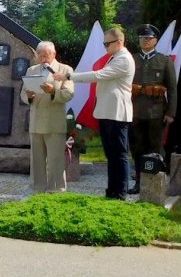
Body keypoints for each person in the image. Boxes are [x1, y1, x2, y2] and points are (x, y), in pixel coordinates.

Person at [57, 28, 134, 199]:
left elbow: (99, 75)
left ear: (119, 42)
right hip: (107, 111)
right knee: (111, 153)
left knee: (119, 153)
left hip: (117, 112)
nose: (105, 47)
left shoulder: (124, 59)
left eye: (107, 43)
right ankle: (112, 189)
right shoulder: (114, 58)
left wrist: (69, 76)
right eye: (104, 43)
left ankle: (120, 191)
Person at [129, 24, 178, 191]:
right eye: (143, 38)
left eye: (149, 38)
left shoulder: (164, 61)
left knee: (155, 147)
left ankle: (155, 182)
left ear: (156, 40)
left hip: (156, 111)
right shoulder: (132, 59)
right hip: (135, 111)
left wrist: (171, 112)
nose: (145, 41)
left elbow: (172, 88)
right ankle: (139, 182)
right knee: (137, 148)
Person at [21, 41, 75, 193]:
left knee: (55, 160)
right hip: (36, 121)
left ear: (54, 54)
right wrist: (29, 96)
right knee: (36, 160)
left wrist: (53, 92)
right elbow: (23, 95)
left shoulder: (65, 69)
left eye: (46, 55)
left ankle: (56, 191)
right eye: (40, 55)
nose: (43, 58)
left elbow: (69, 93)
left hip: (54, 122)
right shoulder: (31, 70)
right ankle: (36, 189)